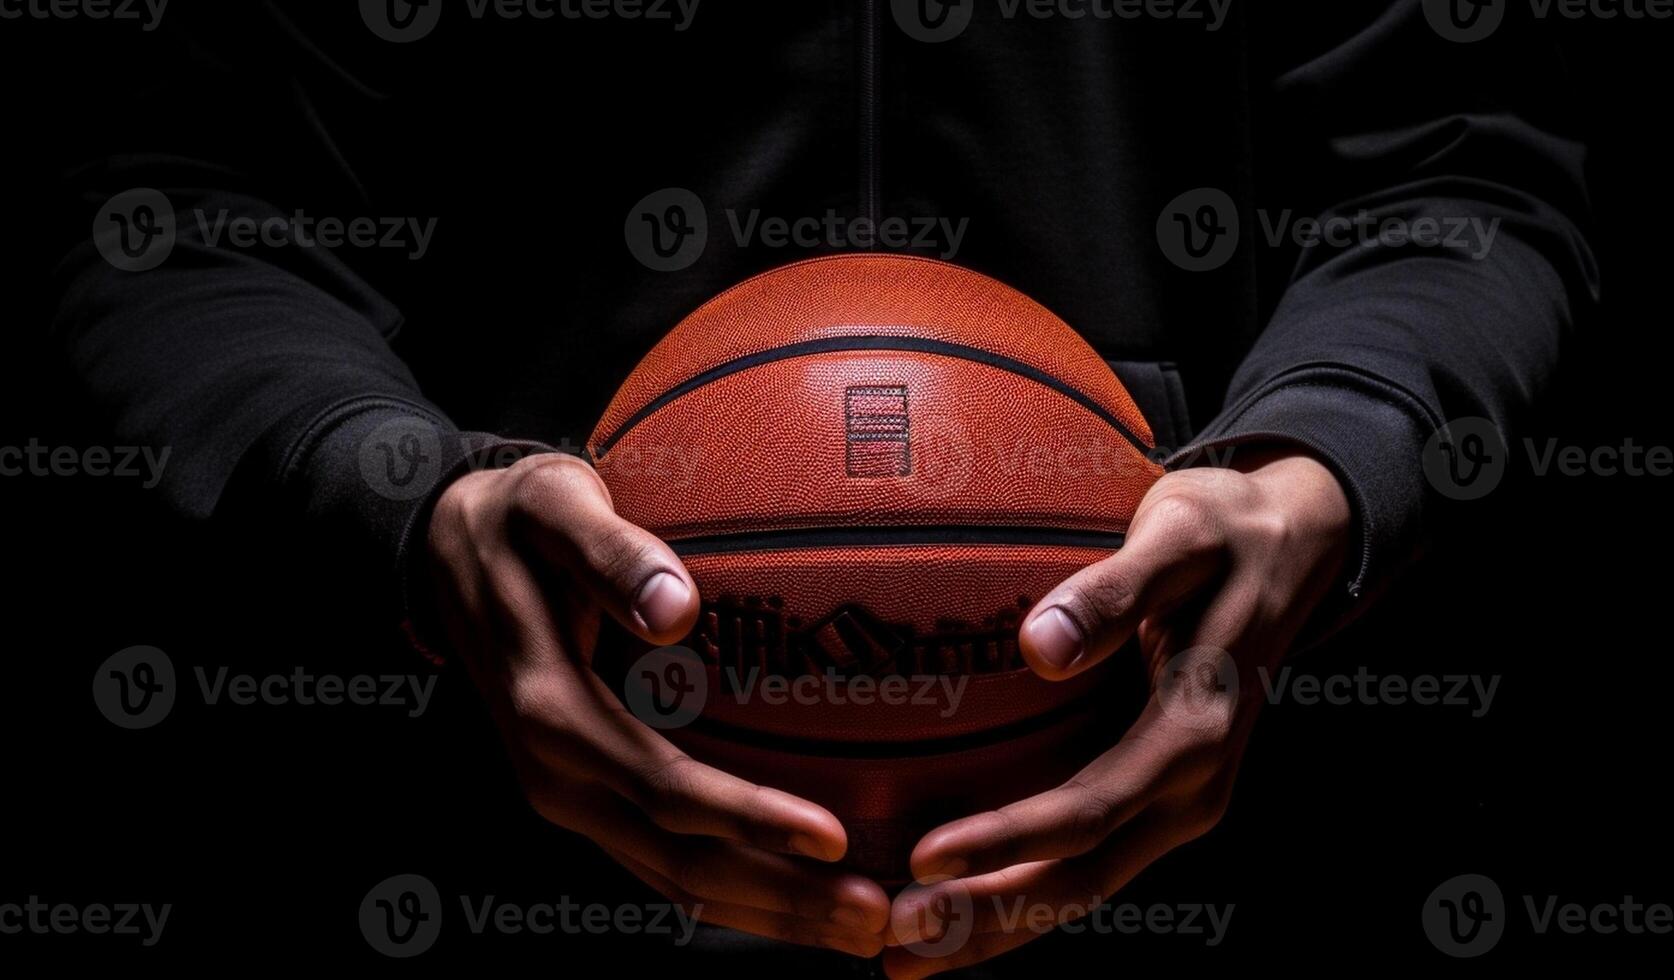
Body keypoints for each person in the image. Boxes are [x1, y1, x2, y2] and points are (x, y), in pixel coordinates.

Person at [52, 2, 1595, 973]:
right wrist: (398, 500)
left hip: (1225, 857)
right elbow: (176, 209)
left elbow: (1459, 179)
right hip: (479, 859)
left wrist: (1321, 456)